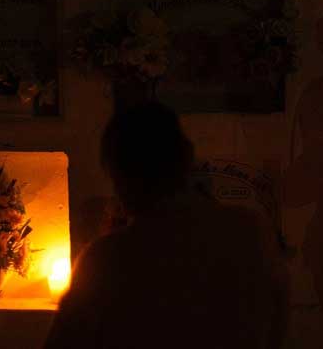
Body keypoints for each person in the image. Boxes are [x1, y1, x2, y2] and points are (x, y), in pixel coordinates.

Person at [43, 102, 289, 349]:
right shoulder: (251, 232)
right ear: (187, 156)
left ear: (120, 179)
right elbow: (277, 328)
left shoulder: (105, 261)